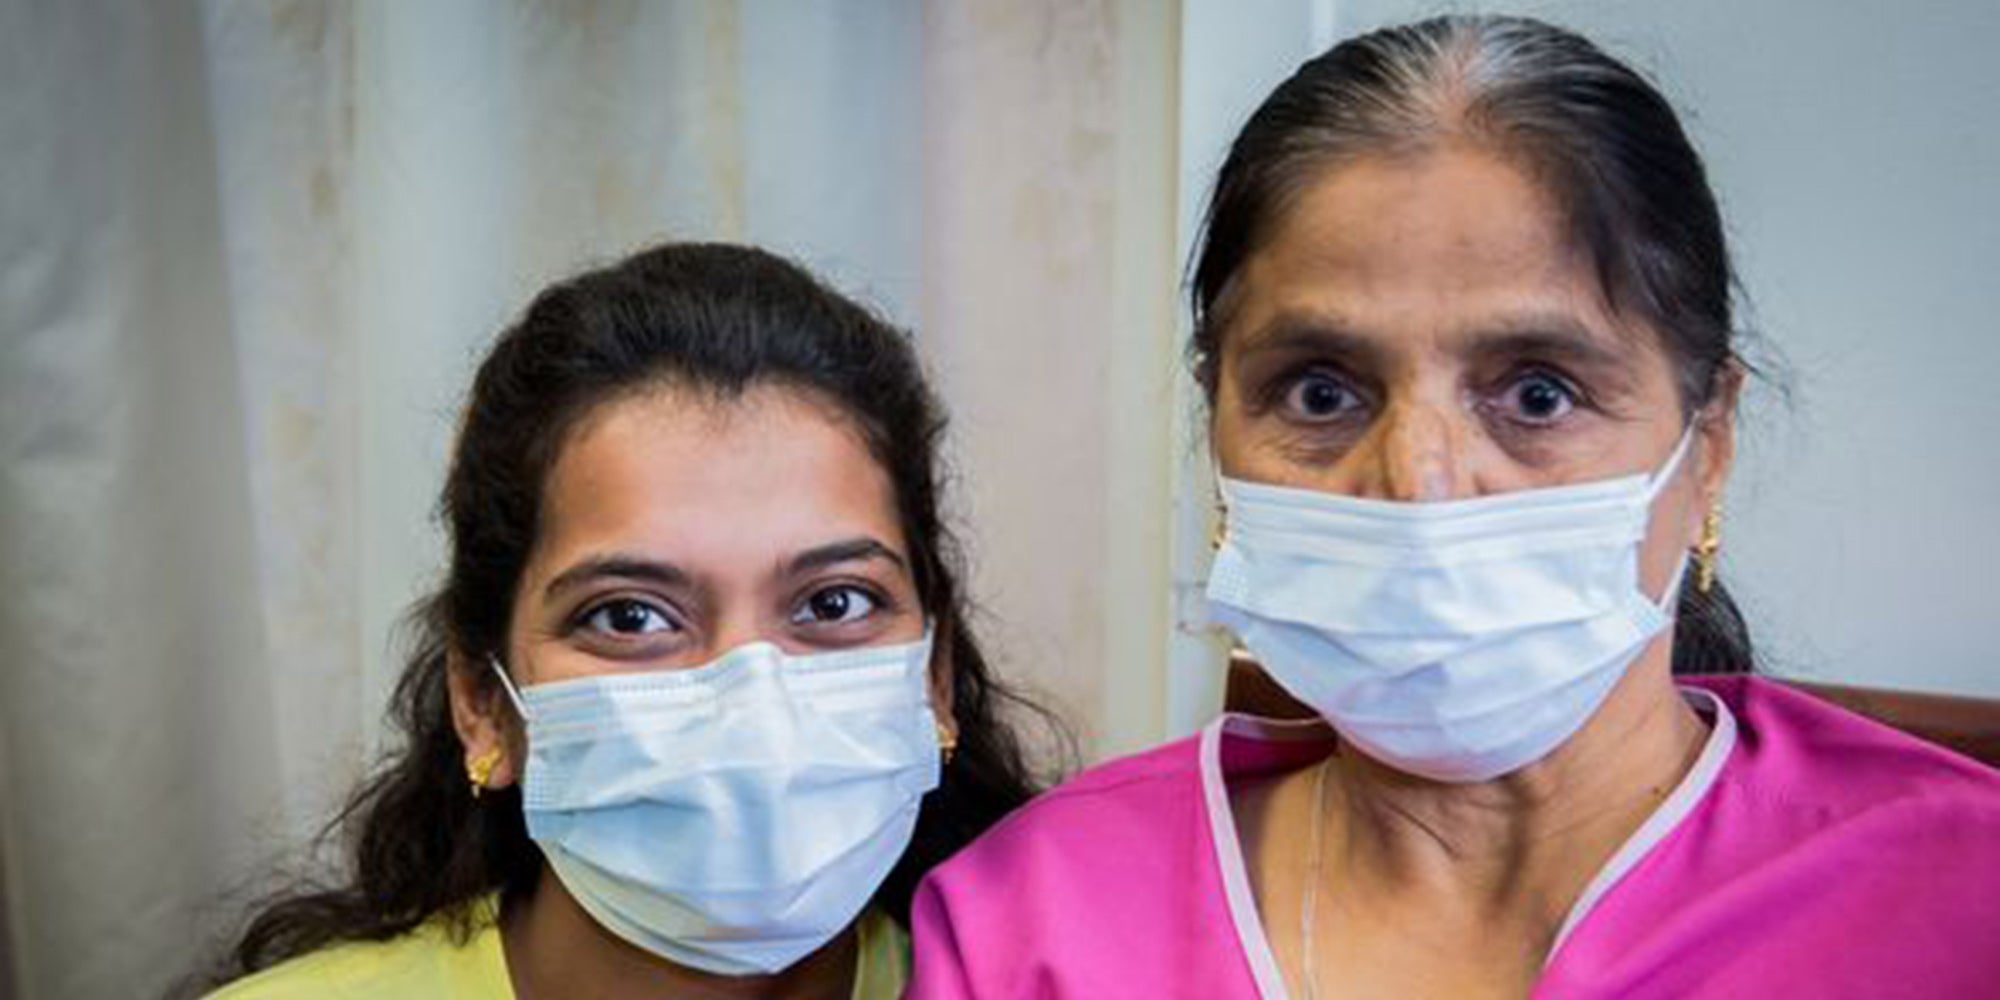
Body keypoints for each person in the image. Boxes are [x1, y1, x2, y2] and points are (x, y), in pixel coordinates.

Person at [908, 15, 2000, 998]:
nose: (1418, 481)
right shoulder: (1027, 918)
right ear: (1217, 428)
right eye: (1320, 391)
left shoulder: (1956, 903)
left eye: (1536, 392)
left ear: (1704, 441)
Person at [198, 243, 1050, 999]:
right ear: (482, 703)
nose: (752, 708)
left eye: (835, 603)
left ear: (934, 681)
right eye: (632, 616)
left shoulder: (1039, 982)